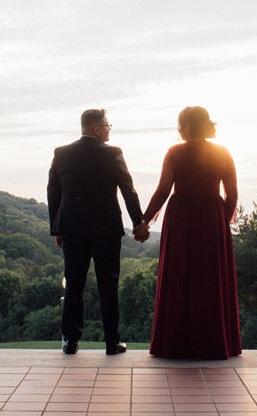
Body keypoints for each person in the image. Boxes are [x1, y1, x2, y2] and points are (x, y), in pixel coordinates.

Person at [142, 106, 242, 359]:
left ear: (185, 126)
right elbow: (232, 193)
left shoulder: (174, 152)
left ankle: (176, 344)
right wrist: (223, 218)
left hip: (182, 218)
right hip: (212, 217)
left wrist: (144, 220)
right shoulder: (223, 153)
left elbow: (163, 190)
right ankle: (214, 343)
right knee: (211, 278)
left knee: (179, 275)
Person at [48, 108, 150, 355]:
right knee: (108, 283)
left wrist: (57, 229)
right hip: (106, 228)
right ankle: (112, 343)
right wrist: (138, 221)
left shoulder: (61, 154)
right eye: (107, 125)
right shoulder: (113, 153)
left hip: (72, 227)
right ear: (97, 129)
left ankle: (70, 341)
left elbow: (54, 192)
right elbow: (128, 189)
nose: (108, 130)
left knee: (74, 283)